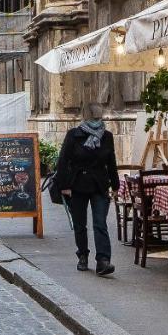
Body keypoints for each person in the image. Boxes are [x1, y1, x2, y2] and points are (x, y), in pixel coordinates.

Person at [55, 101, 119, 276]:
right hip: (77, 185)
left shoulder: (106, 136)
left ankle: (103, 261)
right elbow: (63, 161)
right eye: (94, 115)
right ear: (86, 116)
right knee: (80, 225)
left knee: (100, 223)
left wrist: (116, 185)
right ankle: (82, 255)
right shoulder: (74, 135)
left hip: (99, 185)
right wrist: (64, 185)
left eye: (99, 115)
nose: (97, 118)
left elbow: (111, 162)